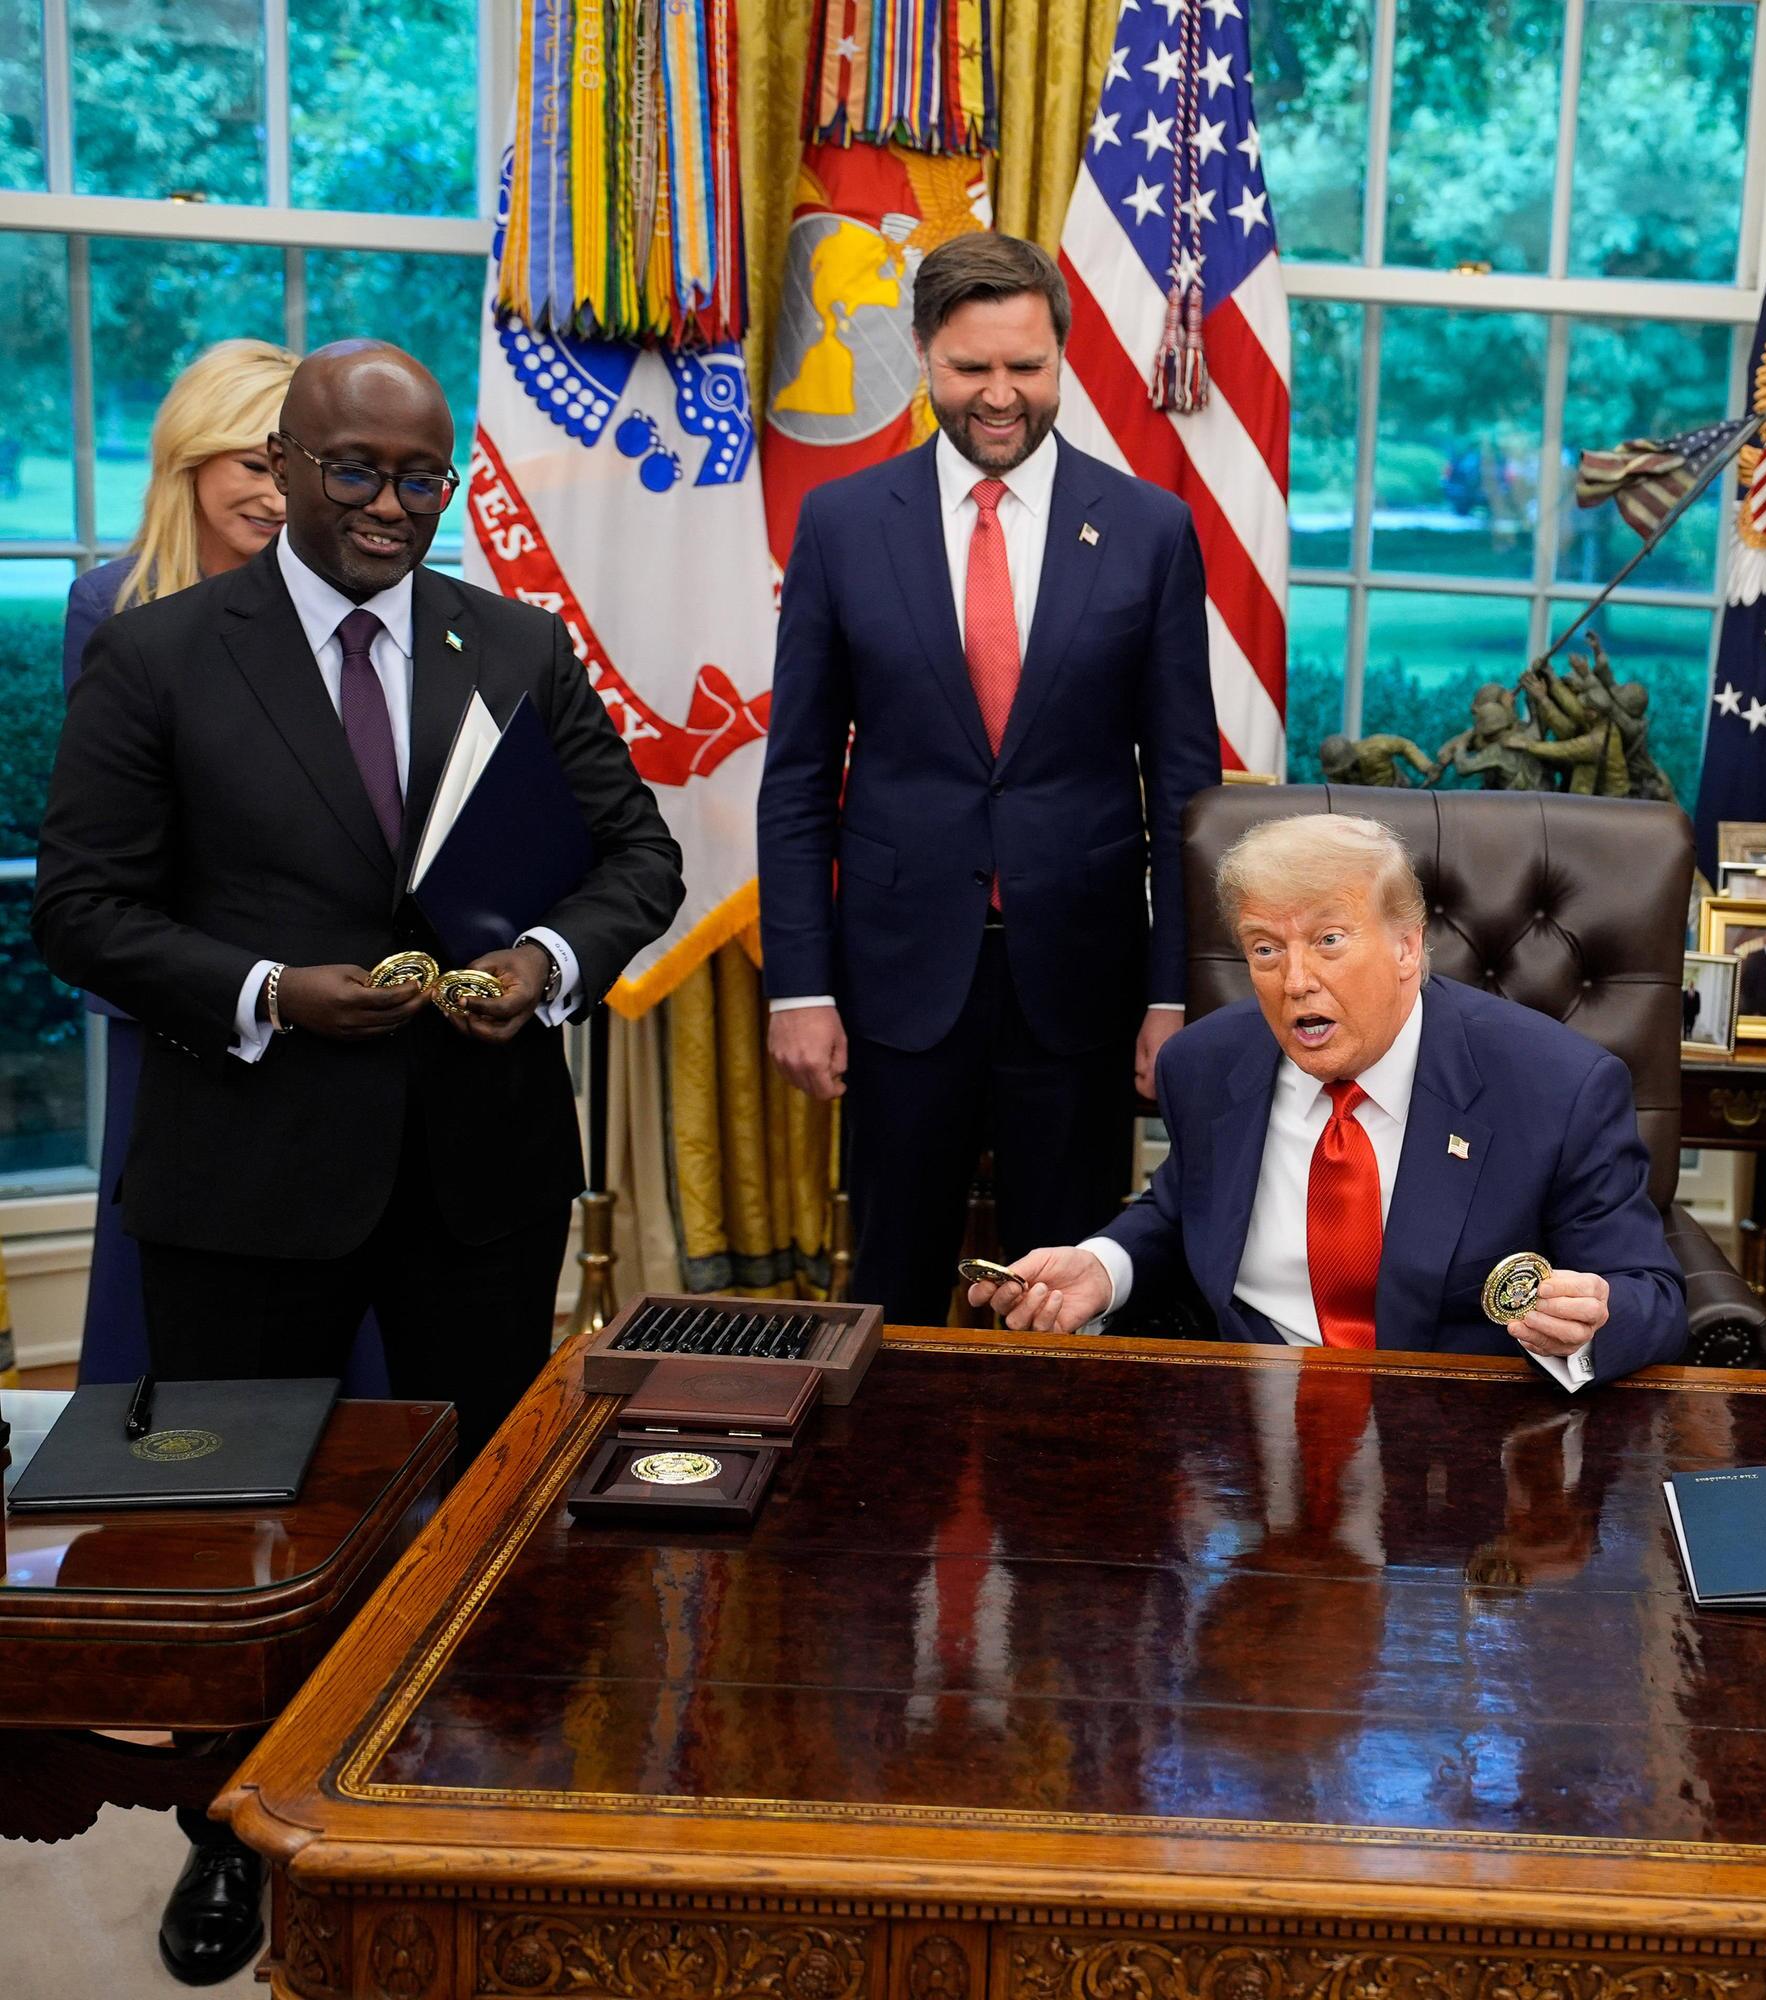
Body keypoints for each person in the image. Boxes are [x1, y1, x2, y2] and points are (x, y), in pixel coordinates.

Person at [32, 339, 682, 1987]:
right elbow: (84, 910)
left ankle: (452, 1800)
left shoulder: (513, 645)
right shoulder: (165, 654)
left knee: (477, 1523)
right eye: (355, 471)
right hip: (246, 1179)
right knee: (242, 1532)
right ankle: (231, 1832)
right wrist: (266, 992)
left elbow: (637, 856)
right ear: (287, 463)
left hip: (480, 1172)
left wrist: (544, 961)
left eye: (420, 477)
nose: (393, 506)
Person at [759, 230, 1218, 1329]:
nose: (1001, 395)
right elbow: (800, 777)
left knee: (1067, 1299)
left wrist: (1174, 996)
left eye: (1027, 365)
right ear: (924, 352)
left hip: (1083, 987)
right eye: (972, 367)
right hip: (897, 982)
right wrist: (799, 988)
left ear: (1061, 356)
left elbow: (1185, 790)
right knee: (891, 1292)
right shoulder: (842, 524)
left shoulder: (1151, 530)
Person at [968, 814, 1686, 1384]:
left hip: (1451, 1446)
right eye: (1264, 949)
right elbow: (1182, 1205)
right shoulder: (1204, 1065)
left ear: (1407, 947)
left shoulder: (1556, 1086)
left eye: (1329, 940)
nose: (1295, 980)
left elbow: (1650, 1295)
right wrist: (1104, 1267)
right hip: (1247, 1435)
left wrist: (1590, 1321)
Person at [58, 338, 304, 1393]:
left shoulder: (329, 605)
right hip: (173, 989)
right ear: (190, 459)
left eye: (289, 467)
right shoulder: (110, 606)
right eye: (251, 464)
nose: (275, 496)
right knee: (164, 1276)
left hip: (318, 987)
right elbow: (110, 837)